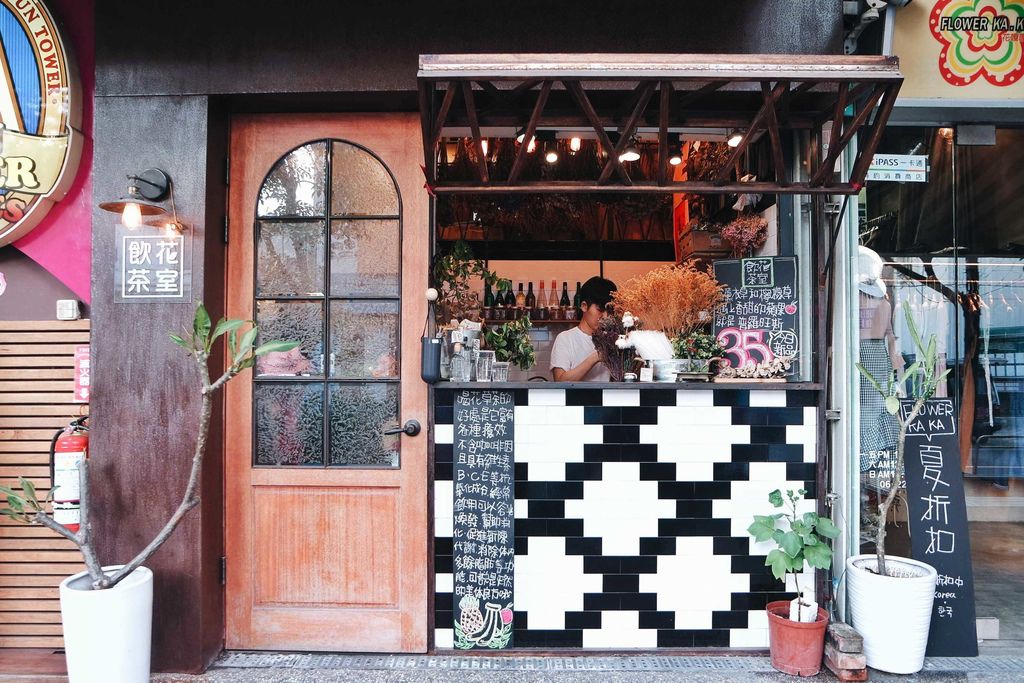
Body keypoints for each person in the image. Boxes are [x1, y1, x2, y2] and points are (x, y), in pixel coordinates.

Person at [550, 276, 617, 382]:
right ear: (584, 306)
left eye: (609, 311)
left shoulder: (613, 340)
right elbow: (560, 381)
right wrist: (596, 357)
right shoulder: (565, 338)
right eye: (600, 309)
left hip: (607, 398)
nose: (605, 316)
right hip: (575, 399)